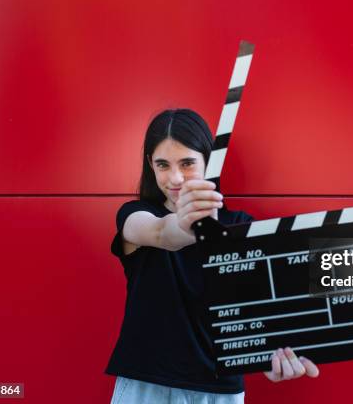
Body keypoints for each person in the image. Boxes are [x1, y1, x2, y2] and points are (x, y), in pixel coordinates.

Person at [106, 109, 319, 403]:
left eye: (188, 163)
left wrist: (273, 354)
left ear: (210, 161)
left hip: (219, 392)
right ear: (150, 166)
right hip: (146, 385)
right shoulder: (135, 216)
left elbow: (267, 307)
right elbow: (160, 234)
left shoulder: (242, 228)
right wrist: (185, 224)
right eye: (163, 164)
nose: (175, 177)